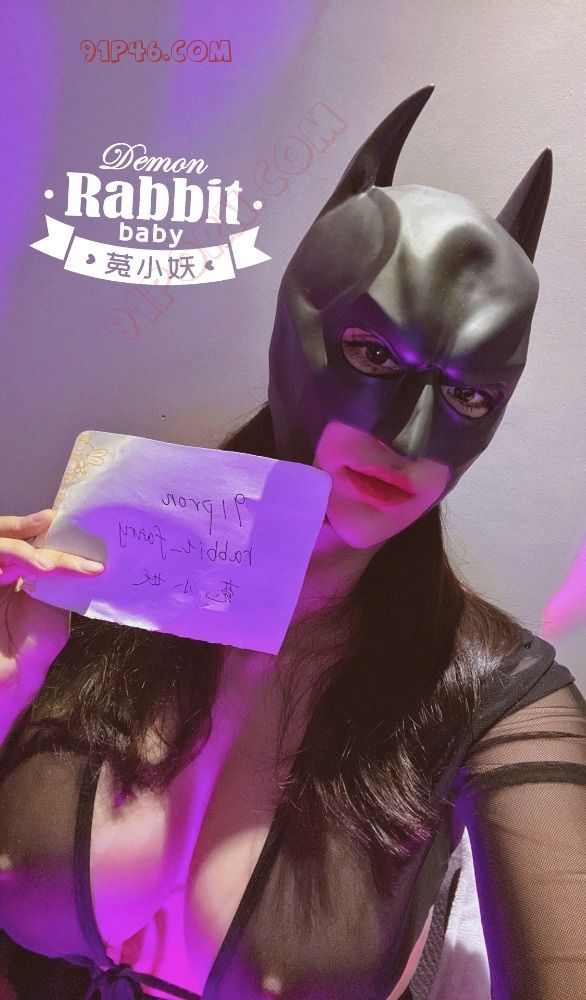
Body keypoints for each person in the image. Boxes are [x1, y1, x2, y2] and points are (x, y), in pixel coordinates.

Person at [0, 87, 584, 1000]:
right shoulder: (99, 565)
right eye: (375, 356)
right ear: (295, 332)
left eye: (468, 395)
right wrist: (11, 683)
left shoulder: (496, 698)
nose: (409, 437)